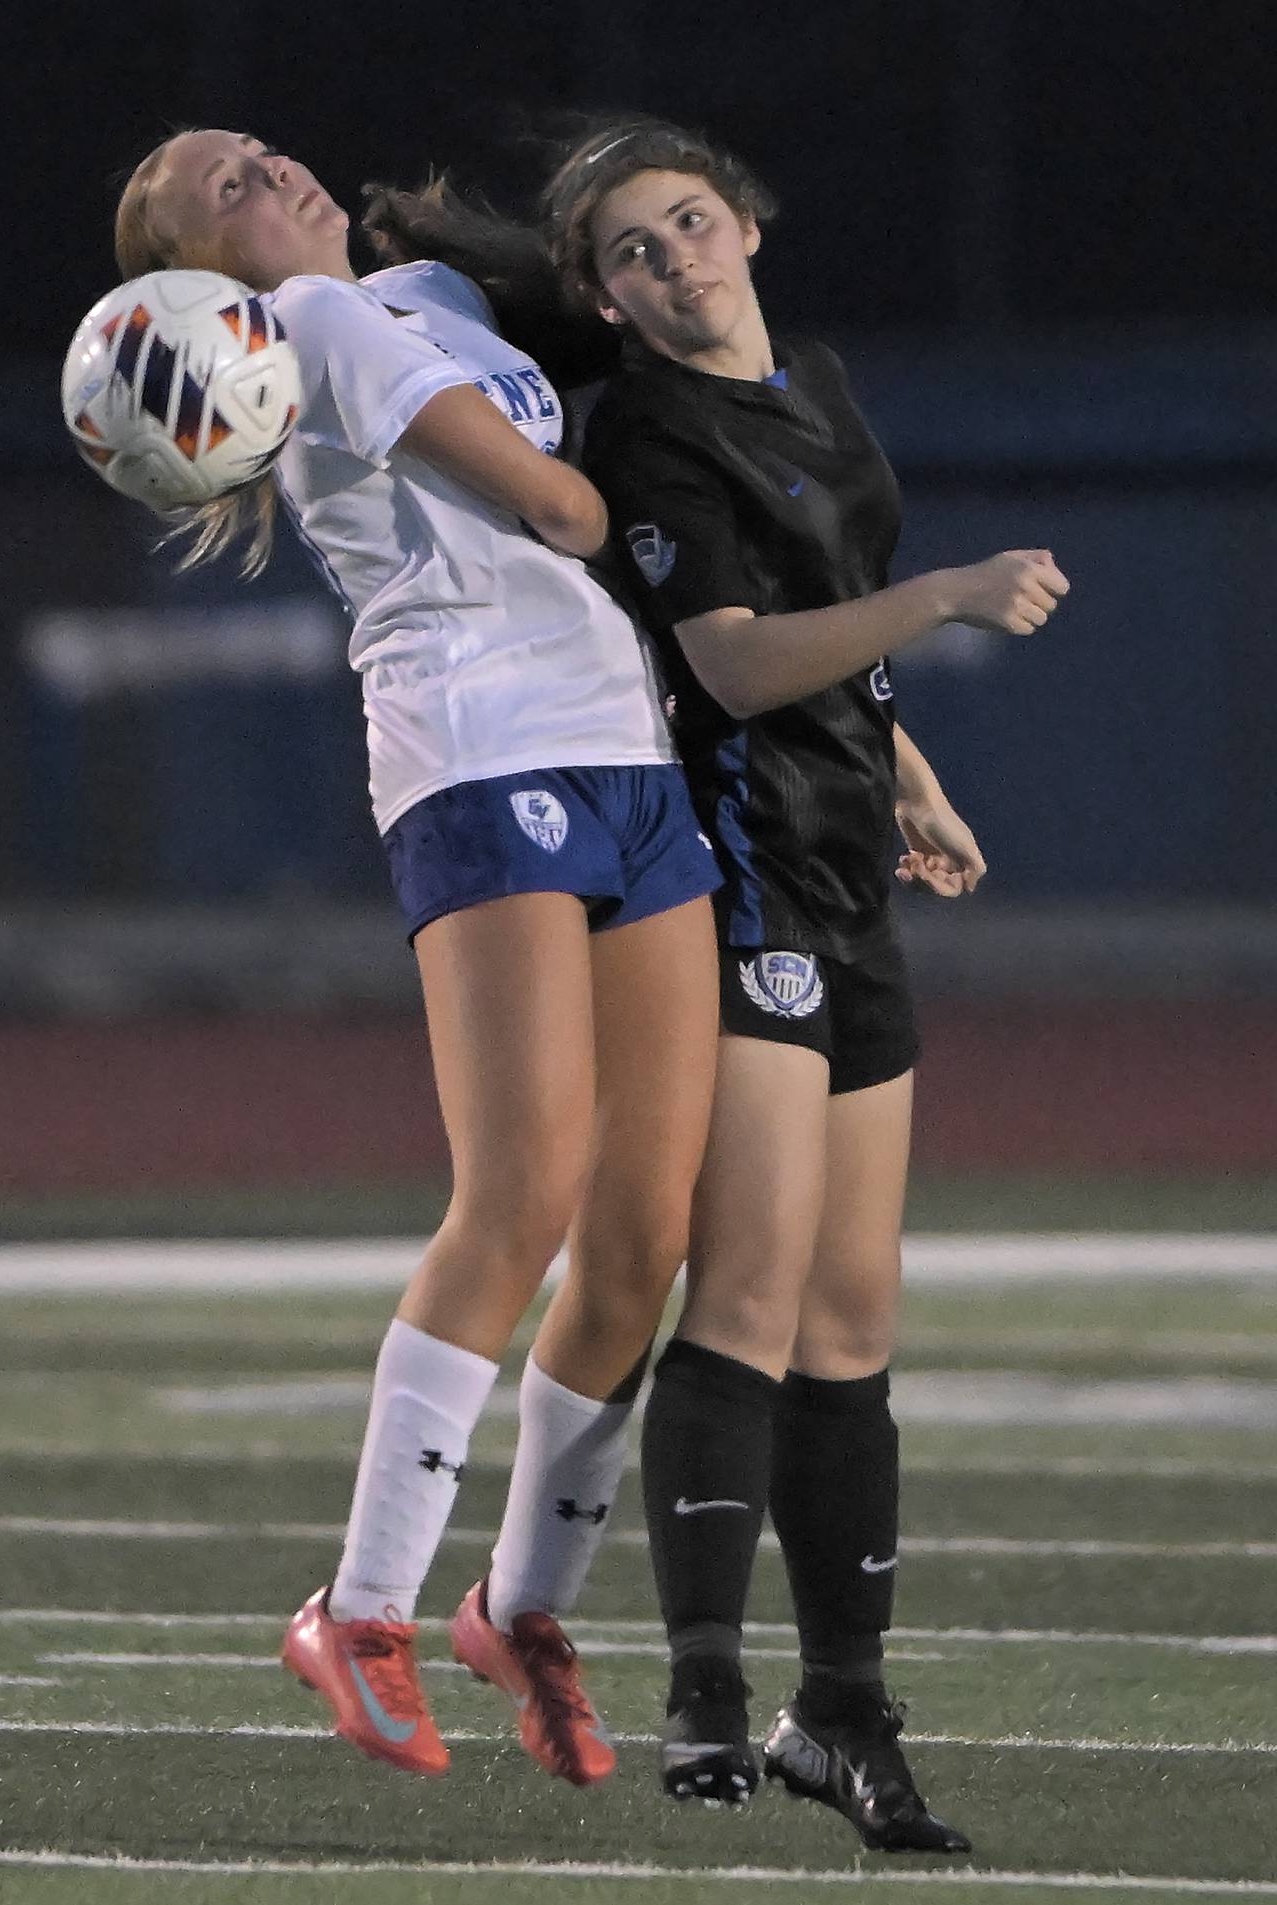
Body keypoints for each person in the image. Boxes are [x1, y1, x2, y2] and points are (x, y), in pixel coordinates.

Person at [111, 128, 723, 1786]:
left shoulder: (427, 288)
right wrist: (612, 495)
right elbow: (549, 494)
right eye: (218, 191)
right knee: (521, 1187)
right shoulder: (309, 328)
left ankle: (519, 1607)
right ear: (202, 276)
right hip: (479, 750)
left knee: (646, 1226)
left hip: (628, 753)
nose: (263, 168)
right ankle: (361, 1608)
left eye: (251, 151)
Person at [532, 117, 1069, 1848]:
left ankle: (840, 1713)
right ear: (606, 300)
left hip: (849, 871)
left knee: (854, 1330)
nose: (673, 256)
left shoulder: (814, 381)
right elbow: (742, 661)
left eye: (689, 221)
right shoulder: (653, 432)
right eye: (632, 249)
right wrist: (946, 598)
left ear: (750, 226)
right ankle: (698, 1680)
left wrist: (909, 776)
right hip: (738, 872)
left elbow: (825, 611)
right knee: (749, 1302)